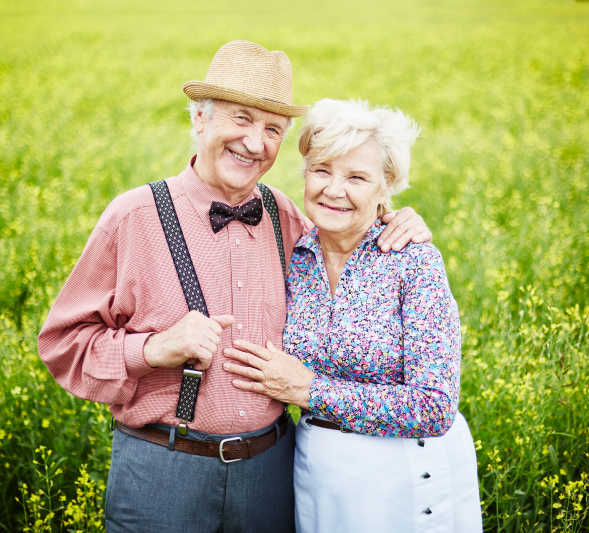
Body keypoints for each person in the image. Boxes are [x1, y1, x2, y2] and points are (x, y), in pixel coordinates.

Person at [38, 41, 432, 533]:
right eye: (241, 119)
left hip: (272, 474)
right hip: (163, 471)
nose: (254, 142)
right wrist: (154, 348)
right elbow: (62, 345)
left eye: (272, 129)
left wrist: (395, 217)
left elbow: (349, 229)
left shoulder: (287, 218)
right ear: (199, 120)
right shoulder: (133, 217)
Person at [223, 98, 482, 532]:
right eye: (322, 170)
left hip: (403, 479)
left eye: (357, 178)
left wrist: (311, 390)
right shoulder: (293, 252)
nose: (334, 189)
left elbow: (434, 406)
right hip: (319, 475)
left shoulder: (412, 261)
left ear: (386, 189)